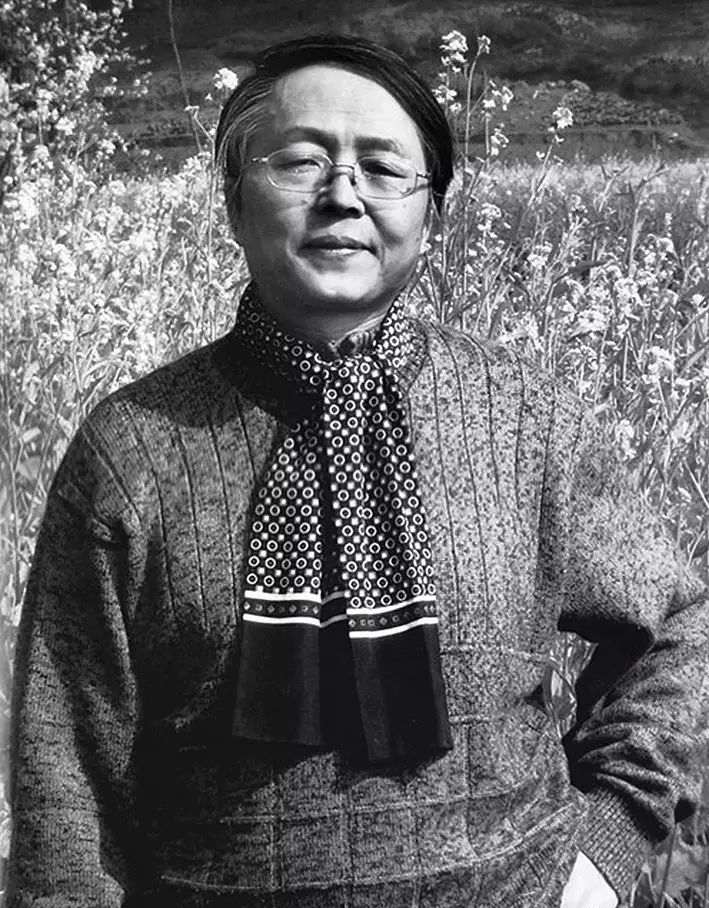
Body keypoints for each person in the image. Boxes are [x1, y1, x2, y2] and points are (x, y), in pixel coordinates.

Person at [6, 34, 709, 908]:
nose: (342, 195)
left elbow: (682, 620)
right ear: (232, 201)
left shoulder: (523, 416)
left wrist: (607, 838)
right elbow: (64, 773)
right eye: (300, 161)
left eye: (381, 168)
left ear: (431, 217)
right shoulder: (133, 447)